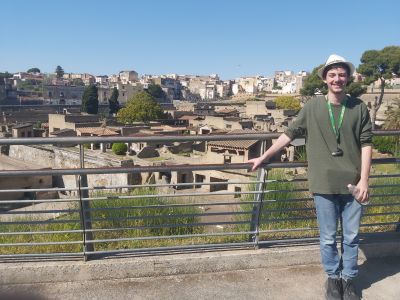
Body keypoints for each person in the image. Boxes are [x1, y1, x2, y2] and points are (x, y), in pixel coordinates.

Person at [248, 54, 372, 300]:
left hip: (353, 184)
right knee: (327, 238)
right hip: (323, 183)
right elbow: (289, 134)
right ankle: (333, 279)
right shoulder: (313, 106)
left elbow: (367, 144)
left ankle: (348, 280)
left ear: (348, 78)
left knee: (351, 237)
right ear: (325, 79)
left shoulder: (359, 107)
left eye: (341, 74)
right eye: (332, 75)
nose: (337, 79)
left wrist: (364, 180)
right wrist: (265, 156)